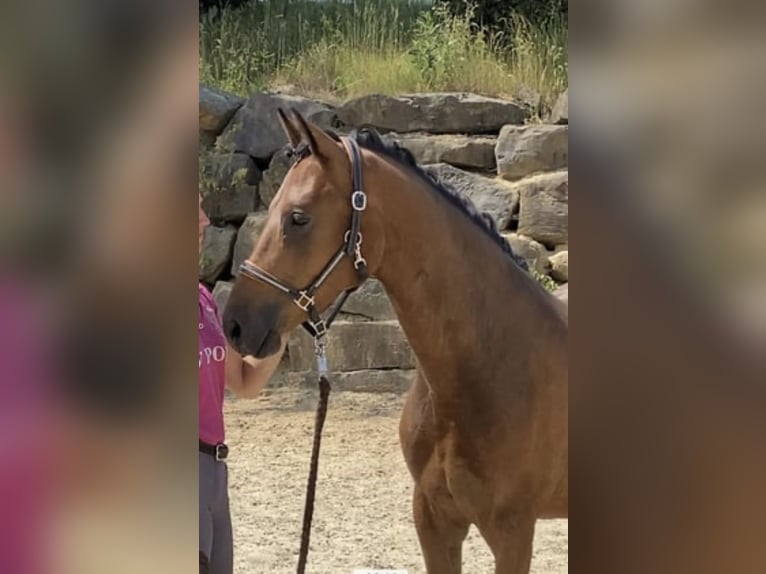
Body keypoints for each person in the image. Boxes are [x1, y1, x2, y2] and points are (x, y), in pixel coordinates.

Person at [199, 193, 285, 573]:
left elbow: (244, 381)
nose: (203, 221)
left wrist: (282, 329)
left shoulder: (201, 298)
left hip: (214, 473)